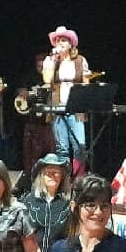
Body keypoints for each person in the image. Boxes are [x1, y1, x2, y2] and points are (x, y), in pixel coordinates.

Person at [44, 25, 93, 165]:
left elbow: (86, 84)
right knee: (62, 148)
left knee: (80, 145)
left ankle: (78, 176)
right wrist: (53, 60)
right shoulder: (50, 60)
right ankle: (64, 177)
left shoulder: (80, 60)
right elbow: (47, 80)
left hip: (76, 108)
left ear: (71, 44)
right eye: (57, 40)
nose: (60, 43)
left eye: (63, 40)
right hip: (57, 107)